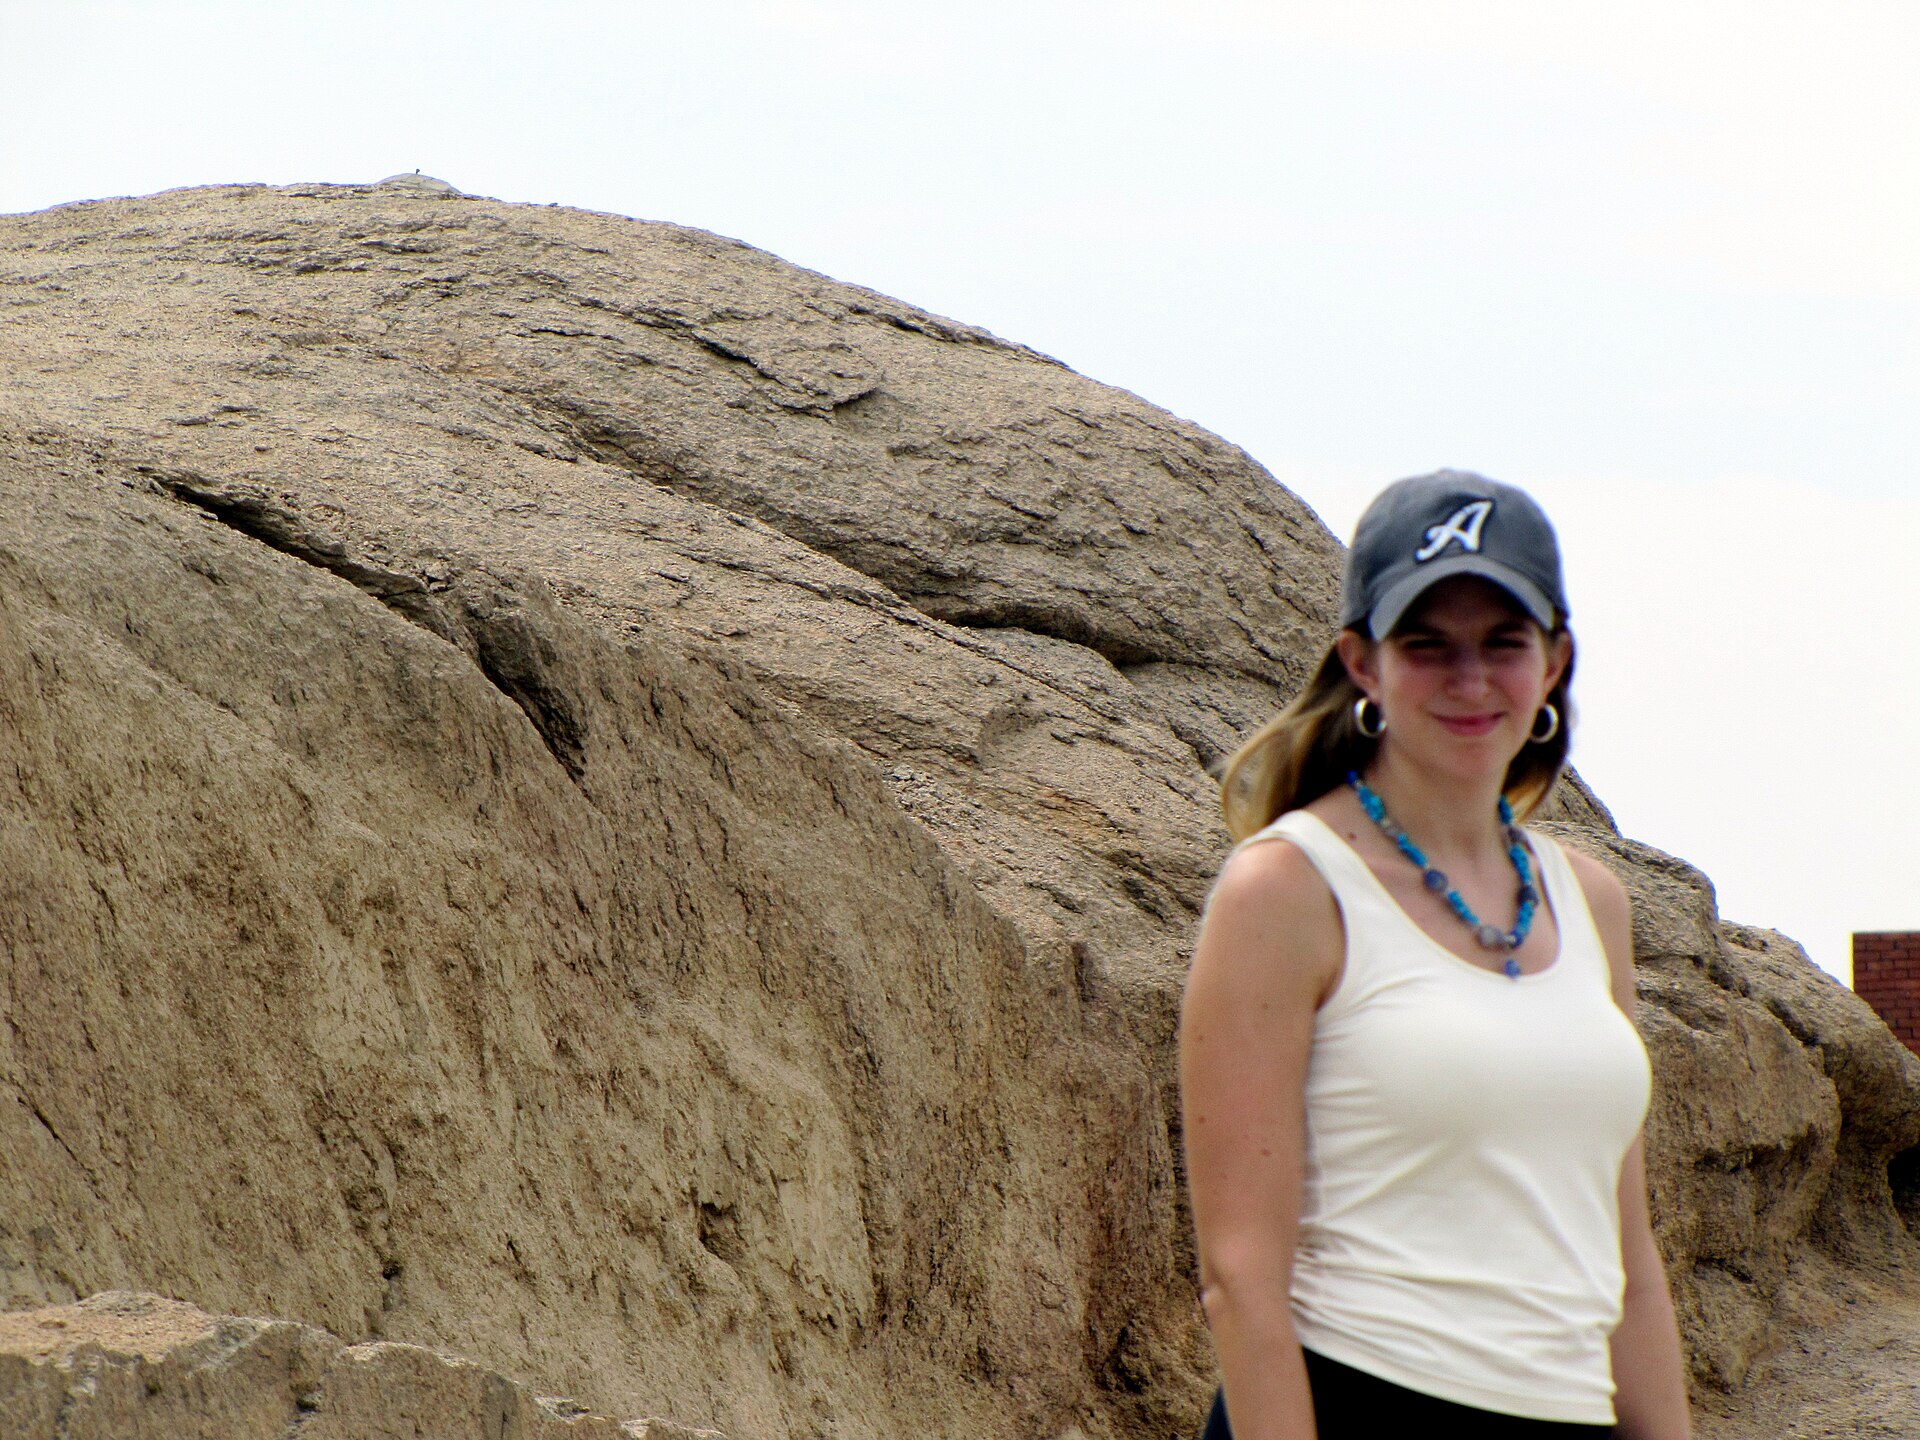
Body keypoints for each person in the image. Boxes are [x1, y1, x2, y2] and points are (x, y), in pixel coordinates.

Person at [1179, 471, 1691, 1439]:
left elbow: (1629, 1260)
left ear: (1555, 662)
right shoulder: (1286, 891)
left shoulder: (1591, 903)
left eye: (1504, 643)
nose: (1469, 678)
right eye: (1427, 645)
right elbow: (1241, 1277)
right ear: (1363, 665)